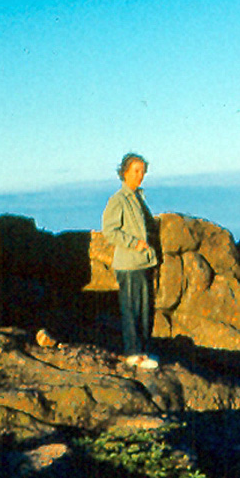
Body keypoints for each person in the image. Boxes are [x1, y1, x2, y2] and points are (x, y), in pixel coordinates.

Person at [102, 153, 160, 369]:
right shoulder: (119, 199)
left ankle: (143, 353)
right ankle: (133, 353)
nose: (140, 175)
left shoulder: (138, 198)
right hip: (128, 264)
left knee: (146, 311)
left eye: (143, 171)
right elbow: (109, 231)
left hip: (144, 262)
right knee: (131, 309)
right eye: (136, 171)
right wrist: (134, 243)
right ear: (125, 172)